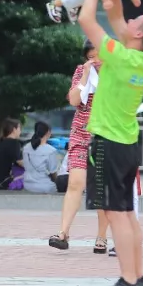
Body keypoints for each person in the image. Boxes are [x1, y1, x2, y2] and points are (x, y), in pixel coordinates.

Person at [76, 0, 143, 286]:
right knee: (127, 213)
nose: (128, 22)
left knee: (115, 214)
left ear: (138, 34)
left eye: (134, 22)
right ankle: (137, 277)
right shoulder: (141, 60)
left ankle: (128, 280)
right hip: (126, 144)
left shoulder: (118, 56)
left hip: (109, 143)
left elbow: (87, 20)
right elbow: (115, 17)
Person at [49, 41, 111, 254]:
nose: (96, 61)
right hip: (80, 133)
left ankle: (101, 236)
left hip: (104, 135)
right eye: (91, 57)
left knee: (100, 187)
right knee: (75, 182)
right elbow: (74, 100)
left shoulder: (115, 73)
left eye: (99, 56)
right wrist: (85, 75)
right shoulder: (81, 71)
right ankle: (63, 234)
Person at [22, 121, 60, 194]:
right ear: (48, 132)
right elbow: (53, 173)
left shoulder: (26, 148)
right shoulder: (51, 150)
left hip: (27, 185)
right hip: (45, 187)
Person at [0, 119, 23, 189]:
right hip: (3, 182)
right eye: (19, 129)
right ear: (14, 129)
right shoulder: (14, 143)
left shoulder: (1, 142)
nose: (20, 131)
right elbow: (19, 162)